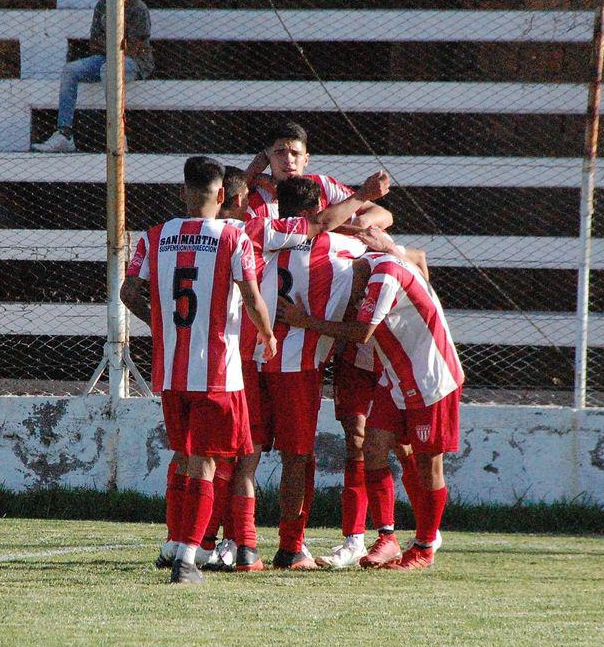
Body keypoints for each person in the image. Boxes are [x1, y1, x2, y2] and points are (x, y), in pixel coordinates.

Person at [218, 168, 395, 571]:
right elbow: (392, 263)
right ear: (320, 207)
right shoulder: (344, 249)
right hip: (298, 367)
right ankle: (291, 546)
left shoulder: (258, 231)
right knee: (297, 457)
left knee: (245, 452)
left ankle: (239, 543)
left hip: (251, 357)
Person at [119, 156, 276, 584]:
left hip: (170, 371)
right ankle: (188, 559)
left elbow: (127, 290)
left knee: (186, 458)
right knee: (208, 463)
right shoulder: (233, 238)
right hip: (217, 373)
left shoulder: (153, 237)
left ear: (183, 192)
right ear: (223, 195)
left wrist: (159, 323)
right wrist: (267, 335)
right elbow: (252, 296)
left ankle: (174, 543)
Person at [278, 251, 463, 570]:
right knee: (373, 447)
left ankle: (424, 547)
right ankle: (387, 537)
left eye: (348, 288)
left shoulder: (384, 275)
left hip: (431, 378)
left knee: (427, 463)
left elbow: (361, 332)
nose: (353, 297)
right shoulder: (376, 265)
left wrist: (304, 321)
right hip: (396, 375)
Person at [32, 0, 153, 153]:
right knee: (70, 70)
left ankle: (119, 134)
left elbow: (134, 49)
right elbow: (94, 44)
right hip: (106, 57)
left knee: (108, 70)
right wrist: (115, 47)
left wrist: (113, 48)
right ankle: (64, 133)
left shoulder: (138, 8)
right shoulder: (102, 6)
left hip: (136, 63)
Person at [244, 121, 393, 230]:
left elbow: (384, 215)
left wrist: (362, 223)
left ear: (306, 159)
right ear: (267, 158)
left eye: (295, 154)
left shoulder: (323, 184)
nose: (289, 160)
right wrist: (251, 173)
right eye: (280, 152)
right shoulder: (253, 198)